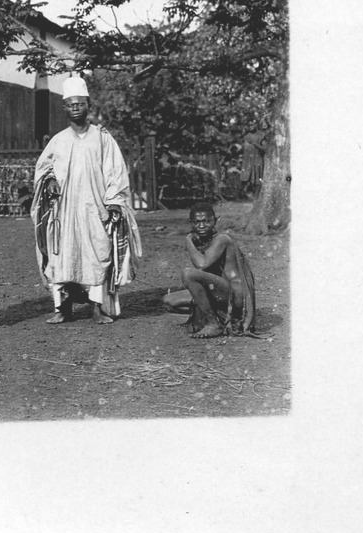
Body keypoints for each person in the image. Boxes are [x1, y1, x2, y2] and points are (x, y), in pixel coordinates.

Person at [32, 75, 142, 324]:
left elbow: (116, 172)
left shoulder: (103, 138)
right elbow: (43, 169)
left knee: (98, 255)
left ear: (88, 105)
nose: (75, 108)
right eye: (70, 104)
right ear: (64, 108)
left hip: (95, 209)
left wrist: (113, 201)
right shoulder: (58, 141)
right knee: (63, 257)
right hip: (64, 212)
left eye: (79, 103)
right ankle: (63, 309)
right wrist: (49, 180)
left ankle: (99, 308)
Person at [162, 202, 259, 337]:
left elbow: (202, 264)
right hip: (219, 290)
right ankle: (214, 311)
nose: (201, 226)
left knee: (188, 274)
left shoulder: (221, 239)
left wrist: (188, 240)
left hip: (235, 295)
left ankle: (213, 323)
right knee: (168, 301)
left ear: (215, 221)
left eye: (207, 221)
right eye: (197, 222)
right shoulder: (204, 240)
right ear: (191, 223)